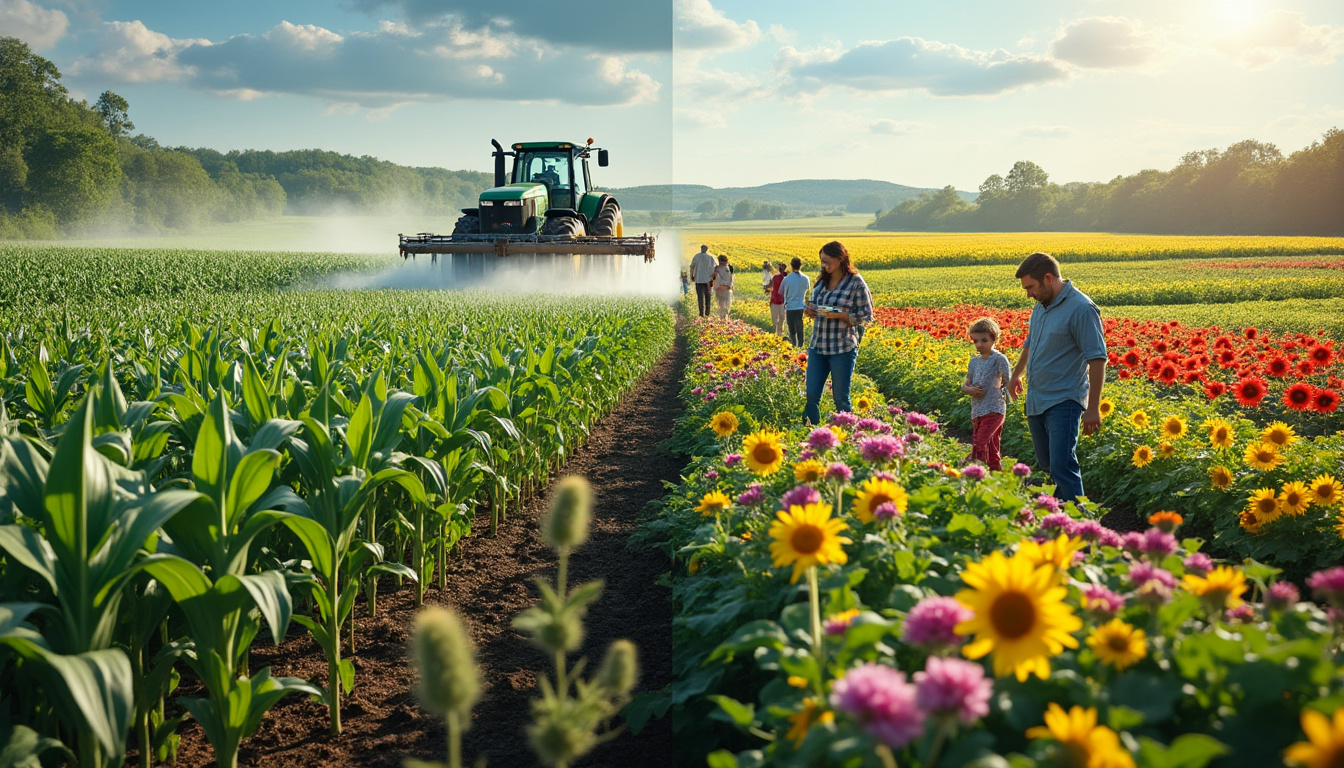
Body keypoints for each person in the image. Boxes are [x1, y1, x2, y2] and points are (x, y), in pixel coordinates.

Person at [1007, 252, 1107, 502]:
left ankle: (1081, 531)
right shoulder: (1041, 306)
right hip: (1037, 398)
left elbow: (1097, 359)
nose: (1028, 293)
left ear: (1048, 278)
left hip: (1064, 400)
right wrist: (1016, 374)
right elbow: (1029, 345)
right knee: (1049, 465)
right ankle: (1060, 521)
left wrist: (1093, 408)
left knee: (1063, 467)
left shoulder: (1082, 309)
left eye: (1030, 287)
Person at [803, 241, 873, 424]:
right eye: (821, 261)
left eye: (826, 260)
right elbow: (816, 306)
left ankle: (850, 434)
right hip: (818, 346)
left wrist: (840, 315)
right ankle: (810, 434)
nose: (823, 264)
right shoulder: (822, 281)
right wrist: (811, 310)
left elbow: (866, 315)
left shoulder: (855, 283)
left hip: (842, 348)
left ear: (840, 258)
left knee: (840, 397)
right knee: (811, 395)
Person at [963, 317, 1012, 471]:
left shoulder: (999, 359)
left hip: (994, 408)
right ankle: (995, 476)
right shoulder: (974, 362)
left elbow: (1008, 382)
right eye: (975, 341)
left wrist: (1008, 395)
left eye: (984, 340)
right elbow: (966, 384)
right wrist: (969, 390)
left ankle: (974, 472)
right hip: (977, 409)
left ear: (994, 339)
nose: (979, 344)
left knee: (980, 442)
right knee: (992, 447)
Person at [781, 257, 811, 347]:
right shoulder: (806, 278)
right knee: (799, 326)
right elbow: (807, 291)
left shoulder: (787, 279)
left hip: (790, 306)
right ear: (801, 265)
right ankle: (800, 345)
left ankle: (793, 345)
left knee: (791, 328)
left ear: (791, 266)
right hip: (800, 306)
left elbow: (782, 292)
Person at [690, 245, 715, 317]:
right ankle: (707, 313)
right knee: (708, 297)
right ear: (706, 249)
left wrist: (692, 276)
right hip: (707, 281)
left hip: (698, 280)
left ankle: (701, 313)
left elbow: (692, 266)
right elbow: (713, 269)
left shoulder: (696, 256)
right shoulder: (710, 258)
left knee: (700, 297)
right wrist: (712, 279)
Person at [711, 254, 735, 320]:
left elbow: (713, 278)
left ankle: (722, 316)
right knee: (727, 302)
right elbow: (731, 278)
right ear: (726, 261)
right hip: (726, 287)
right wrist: (731, 285)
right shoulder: (730, 267)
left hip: (718, 288)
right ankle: (725, 314)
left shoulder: (716, 268)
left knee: (720, 303)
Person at [768, 262, 787, 336]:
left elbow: (770, 287)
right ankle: (780, 333)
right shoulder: (786, 279)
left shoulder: (775, 277)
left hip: (774, 300)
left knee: (774, 319)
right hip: (782, 301)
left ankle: (775, 334)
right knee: (781, 319)